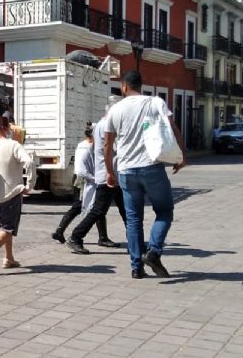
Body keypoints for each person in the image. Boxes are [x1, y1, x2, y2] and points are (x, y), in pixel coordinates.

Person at [104, 71, 186, 279]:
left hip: (127, 171)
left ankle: (136, 267)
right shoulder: (155, 102)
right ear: (141, 85)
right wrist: (181, 155)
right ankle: (154, 252)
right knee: (165, 211)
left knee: (133, 220)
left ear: (124, 86)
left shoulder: (115, 109)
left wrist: (109, 171)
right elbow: (172, 128)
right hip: (152, 167)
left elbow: (107, 144)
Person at [64, 97, 127, 254]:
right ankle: (75, 237)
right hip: (109, 174)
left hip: (110, 173)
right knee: (99, 210)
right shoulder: (108, 125)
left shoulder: (100, 124)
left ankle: (135, 240)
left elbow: (97, 150)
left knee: (125, 209)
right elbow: (112, 148)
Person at [0, 116, 36, 275]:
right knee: (8, 228)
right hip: (12, 193)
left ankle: (9, 258)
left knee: (5, 227)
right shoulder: (13, 145)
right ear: (5, 128)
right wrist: (29, 184)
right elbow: (29, 163)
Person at [52, 126, 116, 248]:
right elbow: (82, 171)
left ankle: (103, 237)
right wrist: (96, 179)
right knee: (80, 207)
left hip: (88, 179)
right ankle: (60, 231)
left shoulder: (88, 145)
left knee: (97, 207)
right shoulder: (86, 147)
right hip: (83, 180)